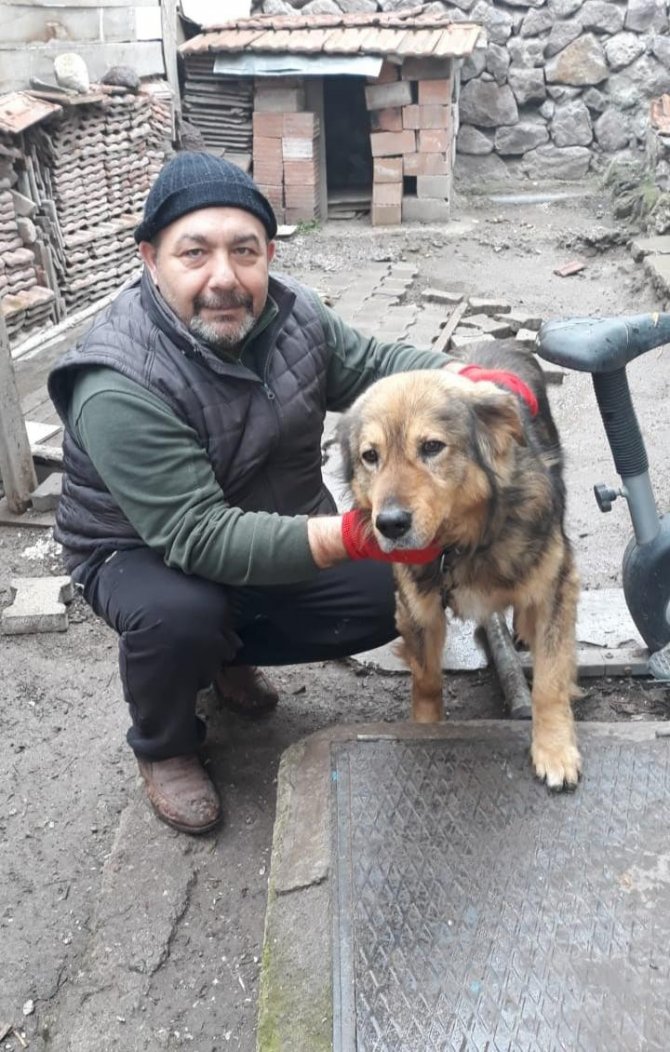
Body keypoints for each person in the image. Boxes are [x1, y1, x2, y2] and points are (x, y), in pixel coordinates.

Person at [47, 152, 509, 835]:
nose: (223, 278)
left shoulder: (294, 316)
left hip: (269, 520)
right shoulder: (117, 380)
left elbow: (375, 367)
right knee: (181, 616)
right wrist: (351, 536)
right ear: (151, 259)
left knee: (400, 587)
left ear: (267, 252)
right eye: (194, 253)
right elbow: (199, 535)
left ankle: (231, 654)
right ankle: (167, 743)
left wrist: (468, 379)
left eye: (244, 251)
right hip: (139, 550)